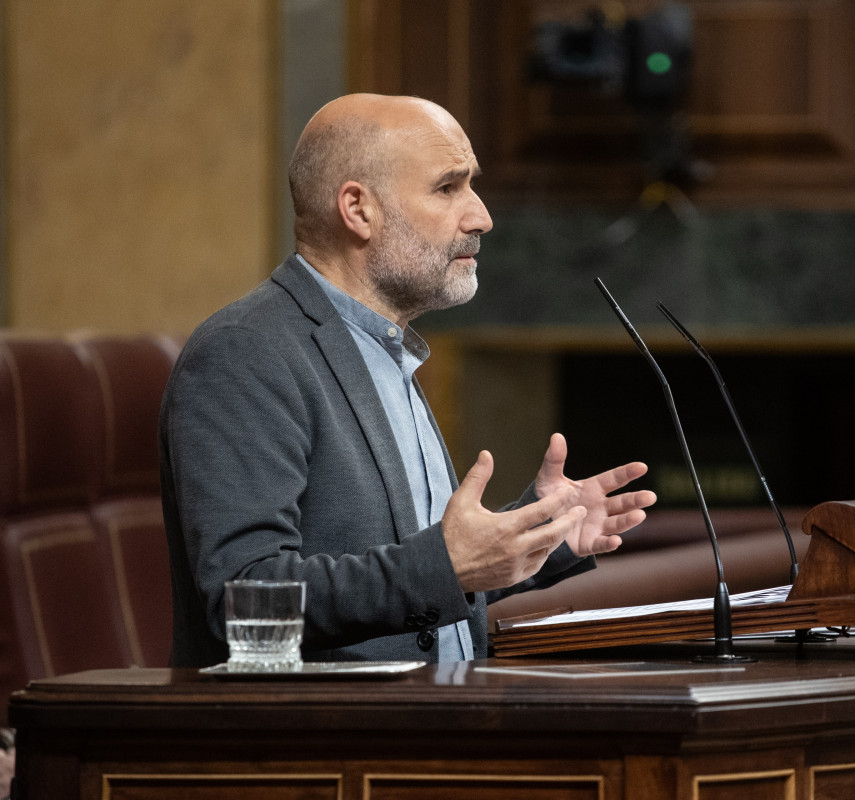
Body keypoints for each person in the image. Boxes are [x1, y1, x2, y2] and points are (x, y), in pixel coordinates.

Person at [160, 94, 656, 666]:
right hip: (324, 747)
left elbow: (417, 589)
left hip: (439, 723)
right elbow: (243, 606)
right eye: (448, 188)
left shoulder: (382, 349)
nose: (481, 216)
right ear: (358, 209)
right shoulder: (246, 353)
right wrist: (446, 565)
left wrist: (537, 537)